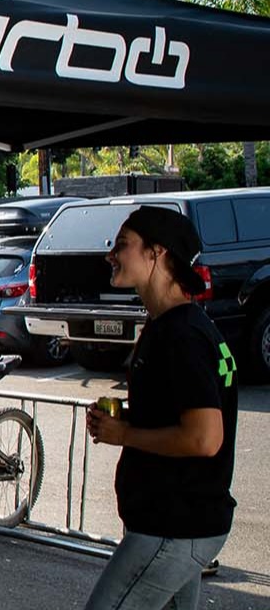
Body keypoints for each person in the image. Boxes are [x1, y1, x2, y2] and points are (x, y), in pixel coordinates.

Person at [84, 207, 236, 610]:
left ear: (156, 254)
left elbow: (204, 438)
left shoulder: (182, 334)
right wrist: (127, 420)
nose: (110, 256)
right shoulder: (173, 325)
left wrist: (125, 434)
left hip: (174, 526)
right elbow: (180, 417)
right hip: (178, 524)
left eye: (122, 245)